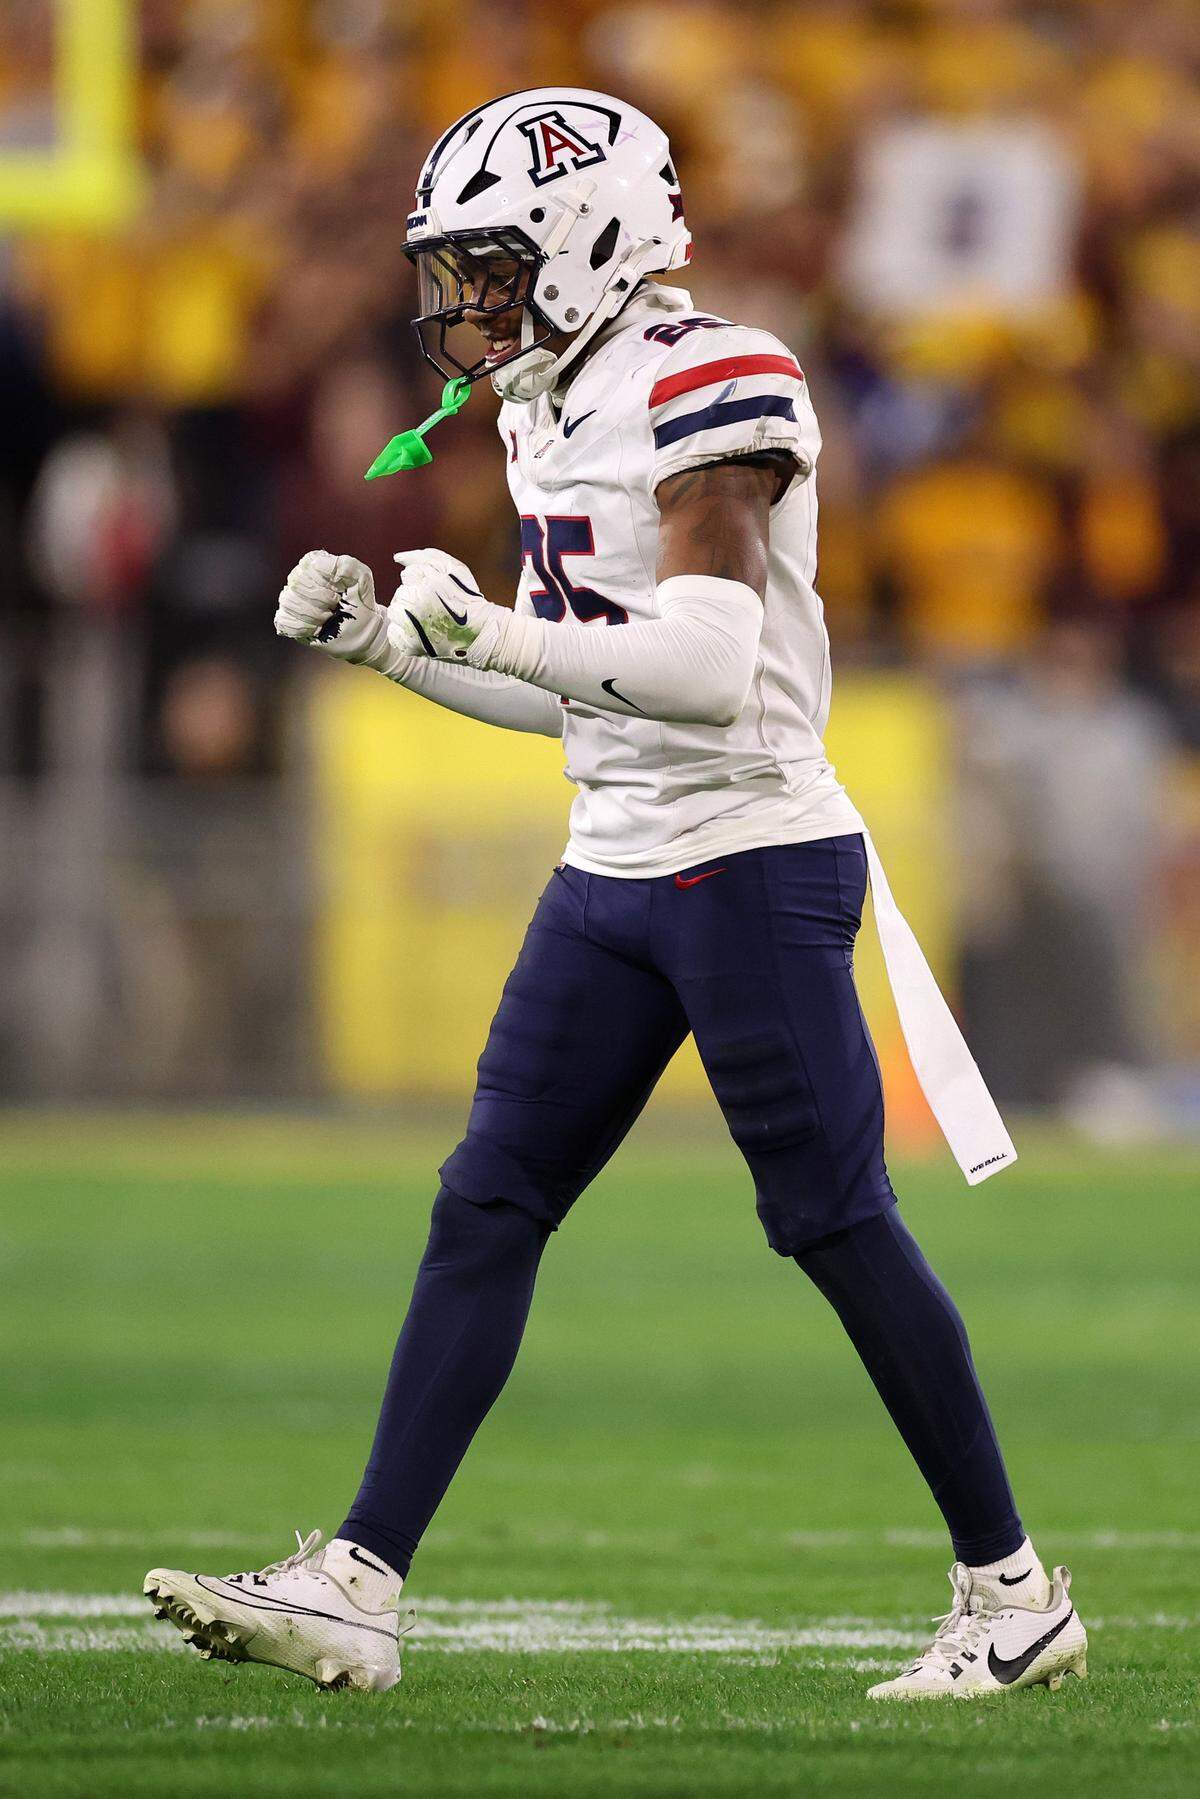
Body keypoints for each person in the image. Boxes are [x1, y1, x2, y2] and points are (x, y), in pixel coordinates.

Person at [145, 88, 1087, 1701]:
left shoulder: (714, 372)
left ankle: (1012, 1596)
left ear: (590, 245)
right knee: (489, 1200)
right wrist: (394, 647)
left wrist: (490, 633)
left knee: (837, 1223)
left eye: (494, 264)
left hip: (750, 860)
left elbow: (708, 671)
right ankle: (359, 1581)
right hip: (615, 863)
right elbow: (583, 690)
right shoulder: (538, 400)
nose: (465, 303)